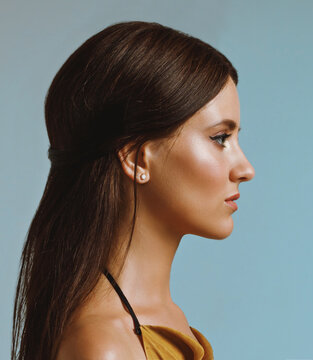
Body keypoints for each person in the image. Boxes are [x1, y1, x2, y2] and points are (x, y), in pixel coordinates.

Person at [11, 21, 255, 360]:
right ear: (137, 158)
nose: (245, 169)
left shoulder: (163, 320)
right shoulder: (106, 348)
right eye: (220, 138)